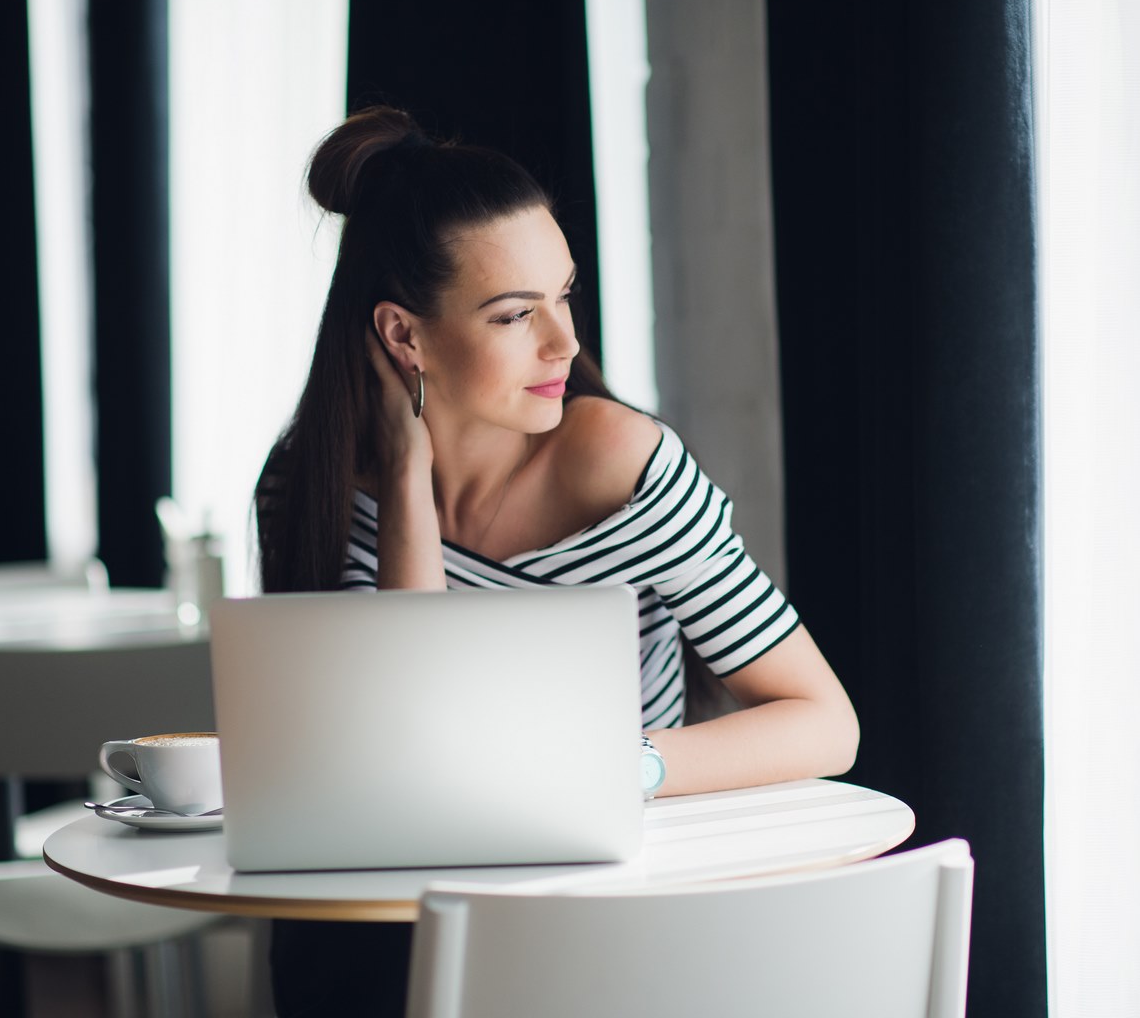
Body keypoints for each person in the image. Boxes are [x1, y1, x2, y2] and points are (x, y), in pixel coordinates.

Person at [254, 106, 858, 1017]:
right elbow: (394, 762)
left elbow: (824, 722)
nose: (563, 342)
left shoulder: (621, 466)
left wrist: (622, 767)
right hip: (399, 925)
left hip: (608, 928)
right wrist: (410, 476)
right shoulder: (310, 485)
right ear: (402, 336)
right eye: (512, 314)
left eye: (563, 295)